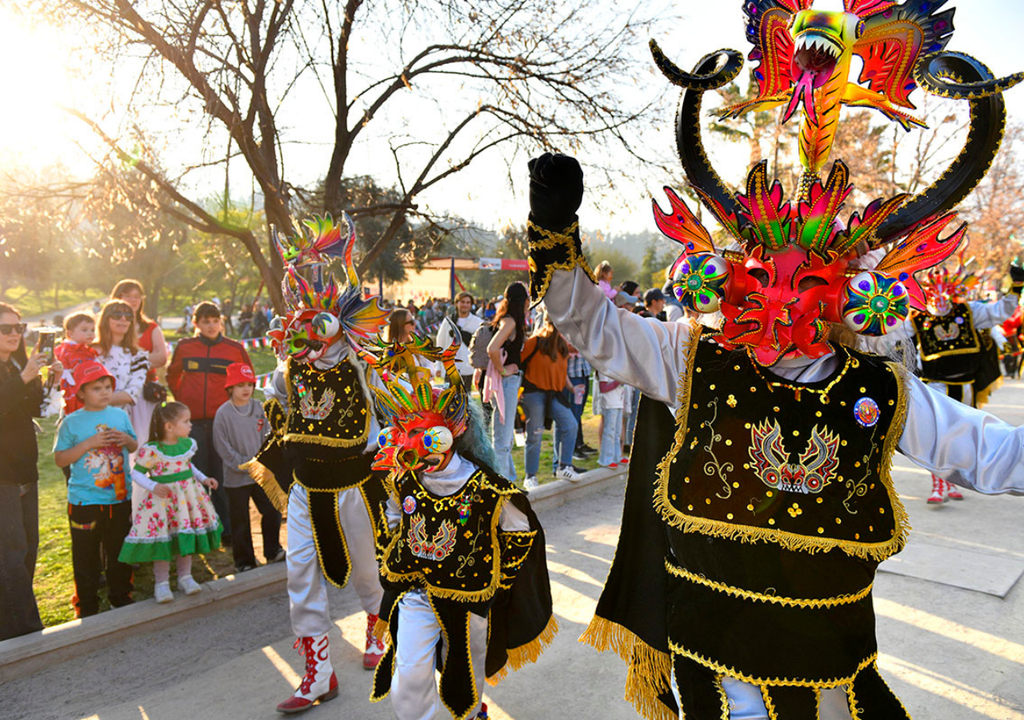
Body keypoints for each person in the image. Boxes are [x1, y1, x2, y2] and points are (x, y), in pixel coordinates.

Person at [524, 145, 1024, 719]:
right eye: (764, 273)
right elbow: (593, 325)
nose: (783, 300)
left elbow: (995, 454)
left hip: (827, 658)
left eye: (808, 279)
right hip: (716, 654)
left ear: (849, 293)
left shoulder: (880, 390)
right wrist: (554, 230)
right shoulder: (690, 358)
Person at [360, 332, 556, 720]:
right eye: (410, 438)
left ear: (453, 433)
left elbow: (520, 533)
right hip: (417, 593)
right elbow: (395, 521)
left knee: (464, 680)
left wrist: (497, 580)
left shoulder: (487, 489)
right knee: (410, 678)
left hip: (469, 600)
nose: (421, 450)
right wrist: (396, 555)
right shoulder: (405, 480)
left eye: (428, 436)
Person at [249, 214, 390, 713]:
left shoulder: (361, 368)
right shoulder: (289, 371)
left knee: (368, 569)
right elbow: (278, 409)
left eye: (318, 331)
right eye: (300, 331)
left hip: (355, 487)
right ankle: (319, 672)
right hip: (308, 491)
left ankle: (377, 626)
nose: (306, 342)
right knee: (300, 576)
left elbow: (389, 420)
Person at [908, 263, 1021, 503]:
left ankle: (951, 480)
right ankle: (938, 485)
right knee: (937, 436)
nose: (939, 300)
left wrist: (1016, 288)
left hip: (966, 385)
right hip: (935, 386)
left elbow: (999, 312)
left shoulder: (967, 311)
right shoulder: (916, 318)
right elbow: (890, 333)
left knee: (963, 434)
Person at [54, 360, 138, 618]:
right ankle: (87, 604)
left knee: (119, 550)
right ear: (80, 393)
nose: (104, 392)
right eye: (96, 388)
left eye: (107, 386)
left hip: (119, 497)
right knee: (86, 555)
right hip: (84, 501)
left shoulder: (120, 415)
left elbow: (134, 446)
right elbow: (60, 459)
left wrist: (127, 440)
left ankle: (121, 596)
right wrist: (89, 443)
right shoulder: (71, 422)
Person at [119, 401, 222, 603]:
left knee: (184, 536)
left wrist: (203, 479)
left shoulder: (186, 445)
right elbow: (136, 474)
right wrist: (152, 486)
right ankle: (162, 583)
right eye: (186, 421)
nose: (190, 425)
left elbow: (188, 466)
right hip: (162, 502)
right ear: (169, 426)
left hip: (186, 501)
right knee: (163, 540)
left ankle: (185, 577)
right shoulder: (152, 450)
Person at [166, 301, 251, 545]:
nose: (211, 325)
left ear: (221, 321)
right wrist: (183, 399)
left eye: (215, 320)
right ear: (196, 324)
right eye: (205, 321)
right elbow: (172, 376)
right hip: (192, 423)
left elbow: (246, 378)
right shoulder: (185, 347)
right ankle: (202, 528)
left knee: (223, 475)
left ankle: (228, 530)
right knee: (198, 474)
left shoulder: (233, 349)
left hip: (222, 420)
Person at [0, 303, 51, 639]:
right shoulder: (15, 371)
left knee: (28, 548)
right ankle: (26, 633)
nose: (15, 334)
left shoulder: (15, 365)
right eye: (7, 329)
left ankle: (13, 626)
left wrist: (46, 380)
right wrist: (23, 378)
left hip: (24, 469)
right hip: (1, 473)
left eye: (20, 328)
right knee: (11, 554)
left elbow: (35, 410)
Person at [213, 362, 283, 573]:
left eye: (249, 384)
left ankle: (273, 551)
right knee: (240, 520)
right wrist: (244, 464)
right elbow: (222, 446)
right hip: (236, 478)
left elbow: (271, 436)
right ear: (230, 388)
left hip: (262, 473)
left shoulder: (260, 408)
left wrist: (262, 461)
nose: (246, 389)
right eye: (240, 384)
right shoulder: (223, 414)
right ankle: (244, 561)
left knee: (272, 510)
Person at [519, 314, 579, 488]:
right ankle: (530, 476)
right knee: (535, 434)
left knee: (570, 425)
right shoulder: (535, 341)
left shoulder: (562, 346)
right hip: (534, 394)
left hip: (554, 394)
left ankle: (564, 466)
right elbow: (519, 360)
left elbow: (560, 369)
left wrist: (569, 386)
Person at [111, 280, 168, 446]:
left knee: (144, 440)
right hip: (114, 392)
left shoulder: (150, 327)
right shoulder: (107, 327)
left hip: (144, 391)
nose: (133, 300)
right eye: (127, 296)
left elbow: (161, 357)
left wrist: (130, 360)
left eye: (137, 296)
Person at [484, 282, 529, 482]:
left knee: (505, 438)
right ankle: (502, 488)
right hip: (506, 382)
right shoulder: (510, 322)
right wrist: (503, 370)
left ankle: (509, 481)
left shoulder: (509, 320)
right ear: (523, 300)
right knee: (502, 440)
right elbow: (492, 349)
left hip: (507, 382)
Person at [94, 300, 149, 417]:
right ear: (105, 320)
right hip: (83, 417)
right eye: (117, 316)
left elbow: (132, 393)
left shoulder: (139, 356)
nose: (123, 319)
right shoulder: (88, 351)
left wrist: (94, 401)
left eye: (128, 316)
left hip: (115, 420)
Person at [437, 291, 484, 390]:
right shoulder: (448, 321)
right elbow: (440, 343)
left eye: (468, 302)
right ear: (457, 303)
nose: (465, 305)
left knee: (465, 399)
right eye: (462, 302)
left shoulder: (477, 322)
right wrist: (438, 367)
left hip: (467, 368)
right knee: (448, 399)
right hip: (450, 367)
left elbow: (481, 346)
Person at [55, 312, 98, 416]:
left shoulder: (88, 350)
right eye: (84, 330)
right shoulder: (66, 351)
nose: (90, 333)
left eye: (92, 330)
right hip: (73, 390)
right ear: (70, 334)